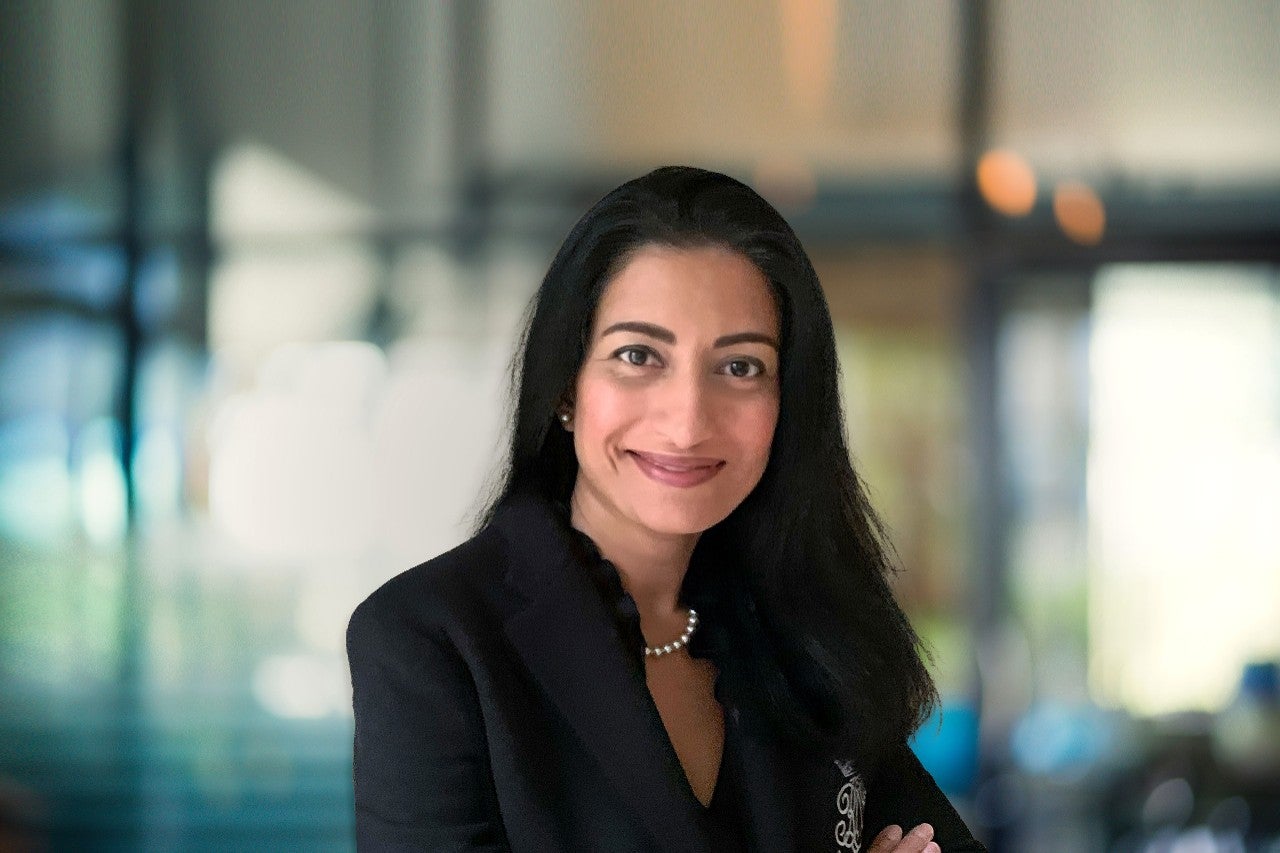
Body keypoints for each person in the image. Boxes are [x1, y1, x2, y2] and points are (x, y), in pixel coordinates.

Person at [346, 166, 987, 852]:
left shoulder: (802, 627)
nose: (687, 422)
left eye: (740, 366)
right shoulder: (430, 639)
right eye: (638, 355)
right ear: (566, 386)